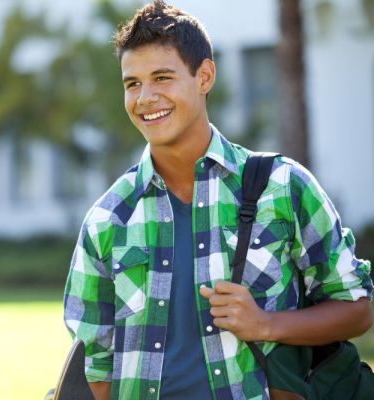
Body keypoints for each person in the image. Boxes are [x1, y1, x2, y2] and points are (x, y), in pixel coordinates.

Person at [63, 1, 373, 399]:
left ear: (204, 76)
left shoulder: (283, 186)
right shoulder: (107, 219)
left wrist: (265, 325)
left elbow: (356, 309)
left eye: (162, 77)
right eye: (132, 83)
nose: (145, 97)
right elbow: (94, 366)